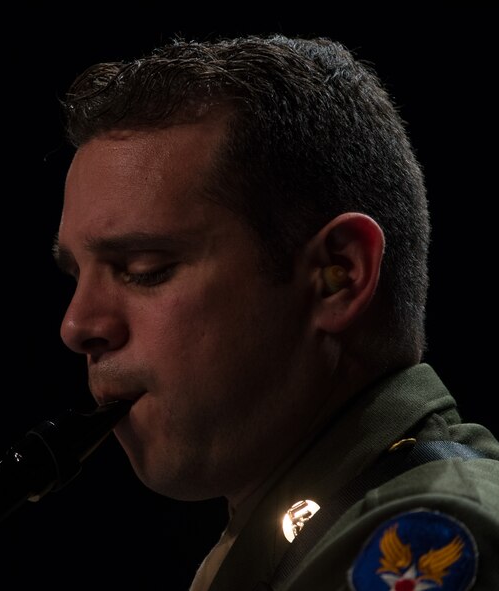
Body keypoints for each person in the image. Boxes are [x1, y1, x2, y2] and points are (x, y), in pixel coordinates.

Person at [51, 33, 499, 590]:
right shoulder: (298, 537)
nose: (77, 326)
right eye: (76, 275)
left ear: (339, 276)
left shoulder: (428, 538)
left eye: (144, 269)